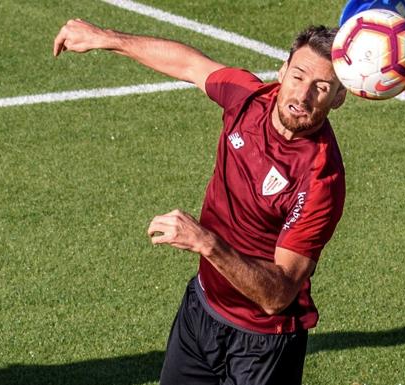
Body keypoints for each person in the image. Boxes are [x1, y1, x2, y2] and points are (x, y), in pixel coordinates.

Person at [54, 18, 347, 385]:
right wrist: (105, 38)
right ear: (282, 70)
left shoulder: (321, 179)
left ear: (338, 97)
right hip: (202, 311)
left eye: (321, 87)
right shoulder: (249, 99)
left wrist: (206, 243)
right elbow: (190, 65)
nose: (302, 96)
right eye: (298, 76)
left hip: (263, 344)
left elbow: (278, 295)